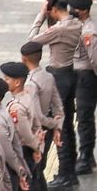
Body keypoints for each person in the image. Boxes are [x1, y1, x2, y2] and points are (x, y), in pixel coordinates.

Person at [29, 0, 83, 189]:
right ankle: (69, 171)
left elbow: (31, 41)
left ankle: (65, 174)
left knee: (57, 126)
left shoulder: (59, 29)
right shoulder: (77, 23)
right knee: (67, 123)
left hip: (58, 77)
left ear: (53, 10)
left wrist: (41, 15)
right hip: (71, 74)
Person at [21, 40, 64, 183]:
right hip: (48, 129)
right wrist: (57, 125)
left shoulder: (30, 83)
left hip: (36, 131)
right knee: (40, 169)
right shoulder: (48, 76)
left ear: (23, 59)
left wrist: (52, 124)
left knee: (32, 172)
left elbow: (37, 115)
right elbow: (58, 105)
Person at [1, 63, 44, 191]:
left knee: (23, 184)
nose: (5, 81)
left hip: (22, 150)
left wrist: (36, 148)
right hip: (28, 149)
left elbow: (25, 134)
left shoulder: (16, 107)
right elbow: (37, 123)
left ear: (18, 82)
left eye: (7, 79)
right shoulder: (26, 97)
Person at [71, 0, 97, 176]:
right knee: (83, 118)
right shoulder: (79, 25)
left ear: (84, 11)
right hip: (82, 76)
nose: (72, 11)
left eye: (75, 8)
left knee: (85, 118)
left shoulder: (88, 31)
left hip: (87, 77)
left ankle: (86, 157)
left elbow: (94, 59)